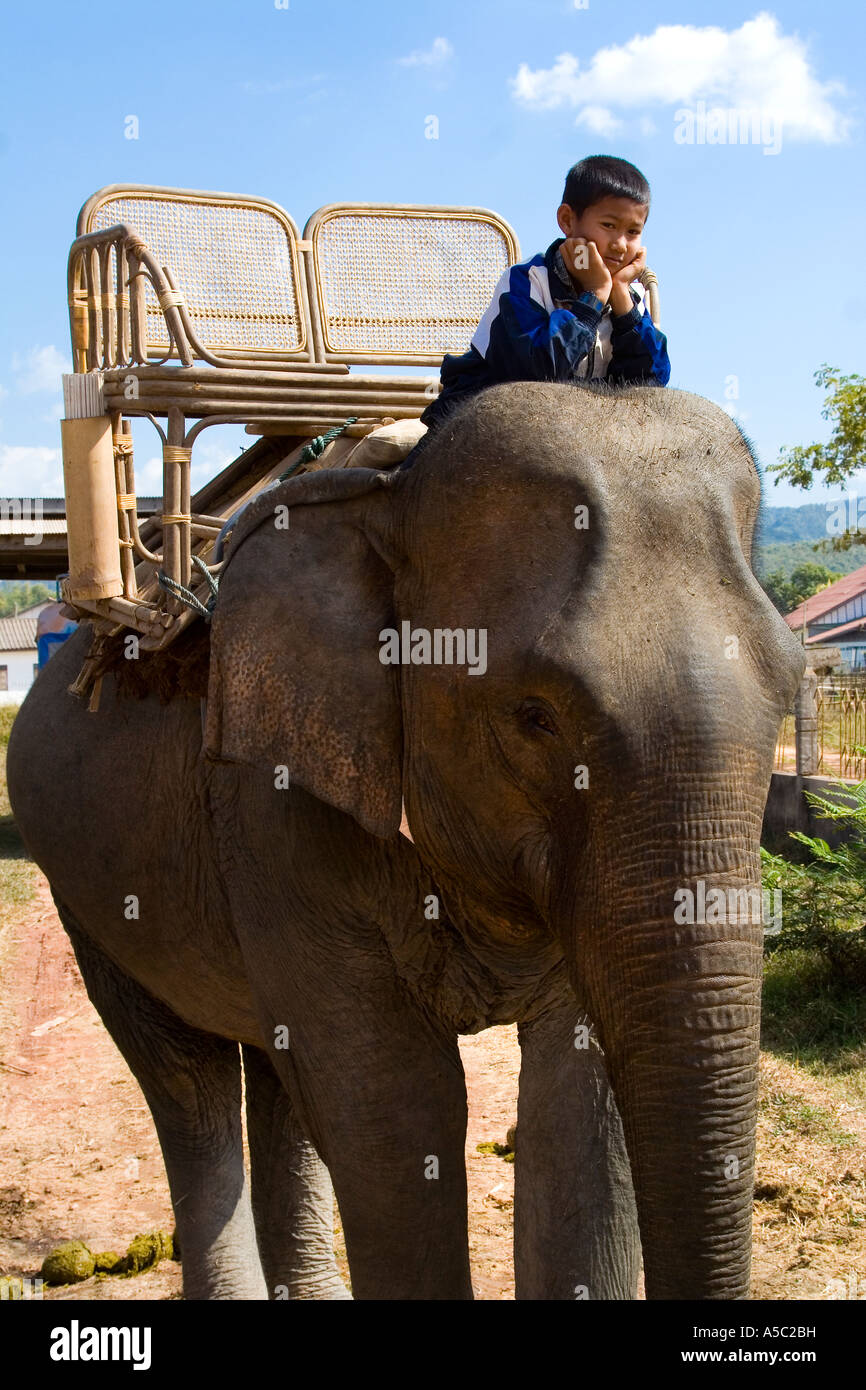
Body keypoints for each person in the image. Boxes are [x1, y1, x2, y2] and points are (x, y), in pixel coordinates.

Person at [417, 154, 670, 443]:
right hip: (488, 418)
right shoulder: (527, 280)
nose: (620, 244)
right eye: (609, 225)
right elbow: (535, 374)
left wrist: (622, 300)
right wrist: (594, 296)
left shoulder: (629, 297)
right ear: (567, 220)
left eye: (633, 232)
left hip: (576, 431)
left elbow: (650, 385)